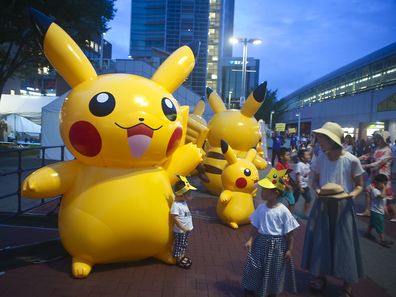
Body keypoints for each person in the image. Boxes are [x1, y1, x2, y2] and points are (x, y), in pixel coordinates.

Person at [301, 122, 364, 297]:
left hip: (344, 205)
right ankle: (320, 276)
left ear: (332, 139)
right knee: (321, 240)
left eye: (322, 138)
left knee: (345, 242)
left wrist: (351, 195)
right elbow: (313, 180)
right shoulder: (320, 158)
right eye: (319, 137)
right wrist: (318, 190)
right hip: (322, 204)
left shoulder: (351, 160)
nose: (319, 140)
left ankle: (347, 282)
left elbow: (360, 185)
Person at [242, 168, 299, 297]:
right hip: (260, 242)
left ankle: (271, 291)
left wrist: (290, 249)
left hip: (277, 245)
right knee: (254, 265)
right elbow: (255, 226)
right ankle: (250, 288)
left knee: (274, 270)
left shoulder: (283, 211)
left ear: (275, 193)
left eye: (265, 190)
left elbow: (290, 233)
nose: (262, 192)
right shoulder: (261, 208)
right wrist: (250, 240)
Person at [357, 131, 396, 222]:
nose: (377, 140)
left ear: (384, 139)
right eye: (377, 138)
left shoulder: (388, 151)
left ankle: (395, 214)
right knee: (367, 190)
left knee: (388, 196)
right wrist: (357, 159)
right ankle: (367, 211)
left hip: (383, 176)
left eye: (379, 138)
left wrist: (365, 166)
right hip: (374, 175)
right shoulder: (377, 148)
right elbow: (368, 155)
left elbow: (379, 163)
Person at [171, 175, 196, 269]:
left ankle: (182, 256)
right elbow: (175, 218)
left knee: (184, 244)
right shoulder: (176, 205)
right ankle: (178, 259)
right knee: (179, 245)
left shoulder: (183, 202)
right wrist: (182, 227)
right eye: (188, 193)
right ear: (182, 194)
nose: (190, 195)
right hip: (180, 231)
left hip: (186, 230)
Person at [365, 174, 394, 248]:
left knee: (372, 223)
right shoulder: (375, 190)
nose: (385, 185)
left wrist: (385, 208)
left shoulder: (381, 190)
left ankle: (368, 233)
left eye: (386, 184)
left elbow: (383, 201)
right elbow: (382, 197)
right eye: (384, 183)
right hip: (376, 212)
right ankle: (382, 240)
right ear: (377, 182)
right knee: (380, 226)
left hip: (377, 211)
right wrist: (384, 188)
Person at [293, 149, 313, 219]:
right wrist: (299, 187)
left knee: (309, 199)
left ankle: (304, 213)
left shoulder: (307, 164)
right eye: (307, 155)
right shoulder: (299, 165)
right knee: (294, 201)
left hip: (305, 186)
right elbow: (297, 176)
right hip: (298, 186)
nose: (309, 156)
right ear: (302, 158)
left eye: (309, 154)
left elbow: (307, 175)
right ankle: (291, 213)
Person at [275, 147, 295, 212]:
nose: (289, 156)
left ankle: (288, 215)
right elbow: (280, 177)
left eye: (289, 155)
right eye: (287, 155)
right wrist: (286, 185)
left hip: (287, 187)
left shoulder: (286, 164)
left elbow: (287, 174)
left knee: (292, 201)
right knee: (278, 202)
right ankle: (276, 214)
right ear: (281, 157)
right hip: (281, 187)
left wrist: (291, 183)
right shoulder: (279, 165)